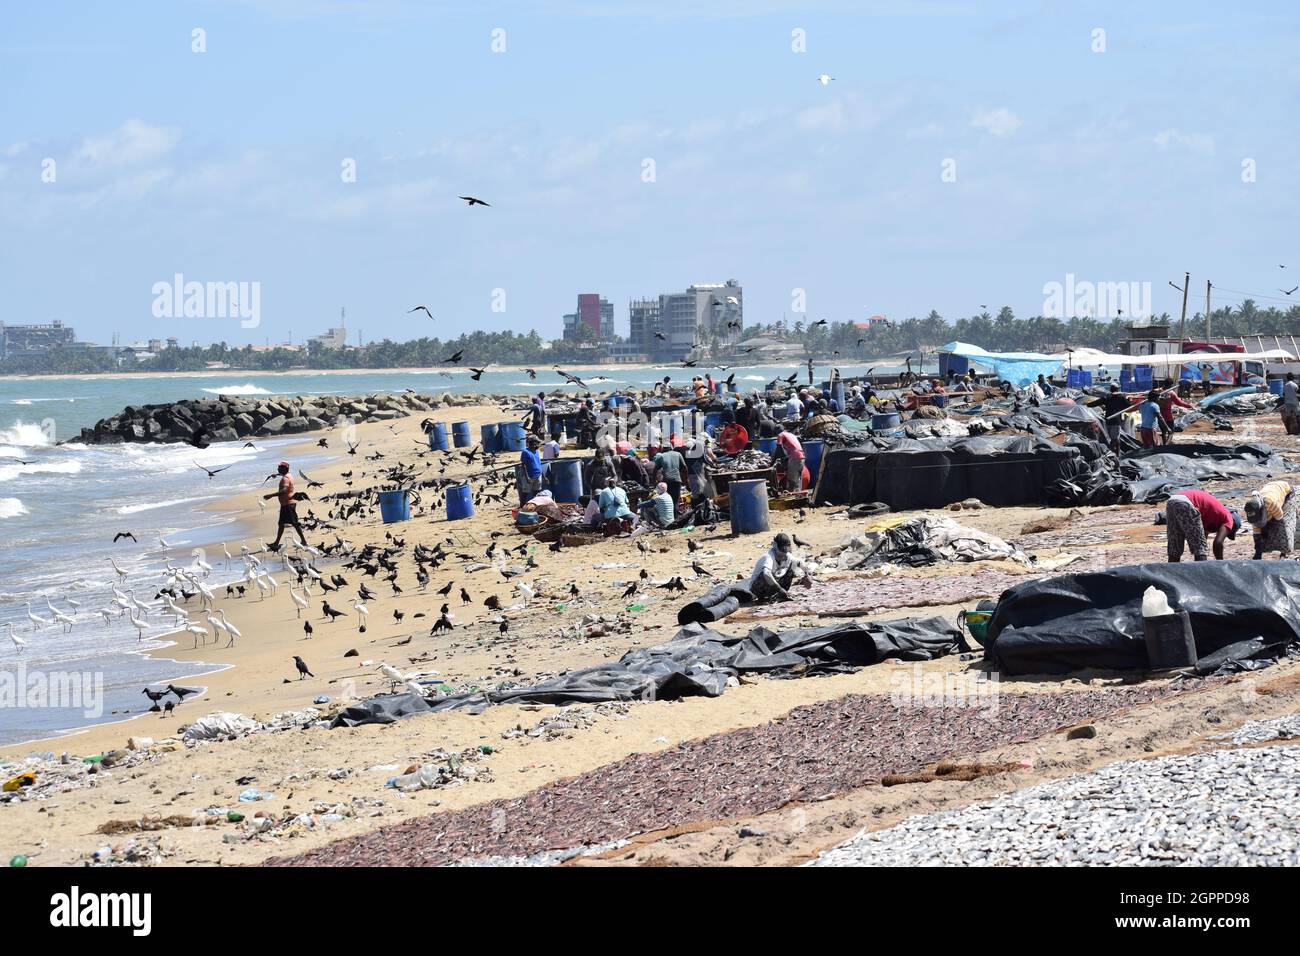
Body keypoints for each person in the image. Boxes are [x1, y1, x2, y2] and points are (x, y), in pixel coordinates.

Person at [1164, 489, 1239, 561]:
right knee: (1201, 549)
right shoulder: (1229, 518)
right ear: (1233, 526)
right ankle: (1201, 574)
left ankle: (1170, 573)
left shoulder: (1213, 516)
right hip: (1187, 503)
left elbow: (1202, 537)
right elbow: (1218, 543)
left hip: (1172, 501)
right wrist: (1220, 563)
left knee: (1175, 548)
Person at [747, 532, 812, 602]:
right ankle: (765, 597)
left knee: (792, 565)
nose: (783, 554)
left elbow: (800, 563)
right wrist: (779, 589)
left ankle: (780, 594)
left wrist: (807, 575)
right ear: (775, 546)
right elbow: (766, 574)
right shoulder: (768, 557)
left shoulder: (787, 555)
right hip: (757, 589)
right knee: (766, 573)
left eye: (785, 551)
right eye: (781, 550)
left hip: (771, 587)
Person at [1244, 480, 1297, 559]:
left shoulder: (1270, 502)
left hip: (1285, 490)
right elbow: (1256, 533)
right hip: (1270, 487)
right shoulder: (1252, 510)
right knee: (1263, 531)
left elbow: (1280, 518)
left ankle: (1284, 553)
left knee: (1285, 526)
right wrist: (1258, 552)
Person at [263, 460, 308, 551]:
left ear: (284, 469)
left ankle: (304, 541)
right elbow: (283, 476)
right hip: (286, 504)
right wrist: (275, 475)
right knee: (281, 524)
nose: (278, 469)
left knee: (295, 523)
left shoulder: (285, 479)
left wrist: (270, 495)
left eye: (279, 468)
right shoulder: (288, 475)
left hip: (288, 504)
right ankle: (276, 543)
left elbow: (284, 490)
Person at [1099, 384, 1134, 451]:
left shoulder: (1107, 397)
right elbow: (1128, 406)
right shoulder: (1121, 397)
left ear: (1110, 389)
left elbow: (1097, 403)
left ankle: (1113, 452)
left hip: (1108, 420)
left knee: (1110, 438)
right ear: (1117, 389)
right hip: (1116, 420)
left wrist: (1088, 405)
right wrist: (1129, 400)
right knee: (1115, 438)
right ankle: (1117, 453)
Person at [776, 423, 805, 492]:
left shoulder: (780, 435)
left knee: (791, 481)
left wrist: (773, 462)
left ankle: (791, 497)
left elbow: (778, 448)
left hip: (795, 457)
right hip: (802, 457)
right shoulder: (791, 434)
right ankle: (798, 496)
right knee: (797, 480)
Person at [516, 435, 543, 505]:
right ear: (533, 443)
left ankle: (534, 506)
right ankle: (522, 507)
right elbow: (524, 465)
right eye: (537, 443)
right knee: (525, 493)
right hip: (529, 476)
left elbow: (539, 464)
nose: (538, 444)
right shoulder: (525, 452)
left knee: (537, 493)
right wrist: (527, 477)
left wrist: (543, 476)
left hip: (538, 475)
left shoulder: (536, 451)